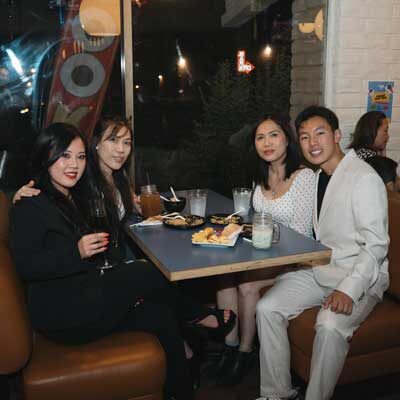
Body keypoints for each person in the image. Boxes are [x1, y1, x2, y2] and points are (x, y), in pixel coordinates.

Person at [9, 123, 236, 400]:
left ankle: (181, 392)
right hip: (63, 315)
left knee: (161, 316)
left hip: (85, 294)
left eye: (80, 157)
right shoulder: (31, 204)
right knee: (143, 272)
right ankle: (198, 314)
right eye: (64, 156)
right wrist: (76, 252)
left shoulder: (71, 195)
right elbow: (26, 267)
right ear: (46, 155)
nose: (74, 165)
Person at [255, 106, 389, 400]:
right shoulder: (317, 177)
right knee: (267, 307)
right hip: (323, 268)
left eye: (320, 134)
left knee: (328, 325)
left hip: (360, 275)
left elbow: (376, 245)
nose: (312, 143)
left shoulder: (363, 178)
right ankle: (276, 393)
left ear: (337, 135)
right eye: (304, 137)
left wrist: (348, 290)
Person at [215, 114, 315, 386]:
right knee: (224, 276)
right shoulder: (260, 176)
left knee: (247, 285)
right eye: (260, 137)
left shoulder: (304, 177)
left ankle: (245, 351)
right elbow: (253, 219)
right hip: (262, 252)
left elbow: (302, 236)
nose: (267, 143)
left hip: (295, 259)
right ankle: (230, 345)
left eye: (273, 135)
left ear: (287, 139)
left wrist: (261, 244)